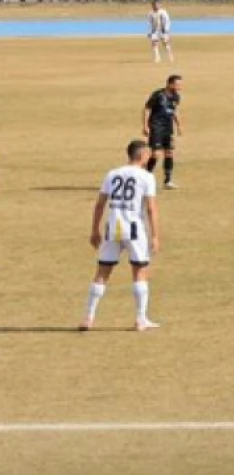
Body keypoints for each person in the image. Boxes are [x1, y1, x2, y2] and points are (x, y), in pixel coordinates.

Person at [81, 140, 161, 332]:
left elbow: (100, 204)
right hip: (134, 229)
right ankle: (141, 319)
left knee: (102, 272)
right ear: (142, 156)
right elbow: (151, 208)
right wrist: (156, 236)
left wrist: (94, 230)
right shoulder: (146, 177)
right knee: (139, 272)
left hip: (112, 228)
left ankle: (88, 317)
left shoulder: (112, 174)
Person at [142, 75, 184, 190]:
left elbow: (175, 110)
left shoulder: (176, 96)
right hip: (156, 127)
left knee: (169, 153)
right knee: (155, 154)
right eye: (178, 84)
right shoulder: (158, 95)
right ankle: (146, 178)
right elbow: (147, 108)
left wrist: (179, 125)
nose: (180, 87)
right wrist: (145, 125)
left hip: (168, 128)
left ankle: (168, 180)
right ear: (170, 84)